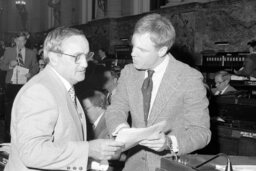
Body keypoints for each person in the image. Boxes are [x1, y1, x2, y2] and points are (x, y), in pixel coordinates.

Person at [4, 27, 124, 171]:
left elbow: (64, 141)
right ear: (54, 58)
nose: (85, 63)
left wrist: (89, 162)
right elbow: (32, 152)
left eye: (86, 56)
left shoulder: (64, 86)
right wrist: (87, 150)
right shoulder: (40, 91)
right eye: (77, 57)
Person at [105, 13, 211, 171]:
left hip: (170, 166)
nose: (133, 53)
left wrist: (169, 142)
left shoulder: (189, 78)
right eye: (133, 46)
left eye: (141, 49)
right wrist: (122, 130)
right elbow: (116, 109)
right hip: (133, 166)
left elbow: (201, 133)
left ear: (162, 50)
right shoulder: (128, 72)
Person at [0, 32, 39, 141]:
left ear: (25, 41)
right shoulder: (9, 51)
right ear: (15, 41)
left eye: (23, 40)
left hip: (25, 85)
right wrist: (9, 65)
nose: (20, 43)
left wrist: (31, 73)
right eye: (18, 41)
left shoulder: (31, 53)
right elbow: (2, 66)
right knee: (9, 111)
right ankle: (8, 136)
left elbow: (35, 67)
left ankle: (23, 135)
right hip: (11, 85)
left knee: (24, 111)